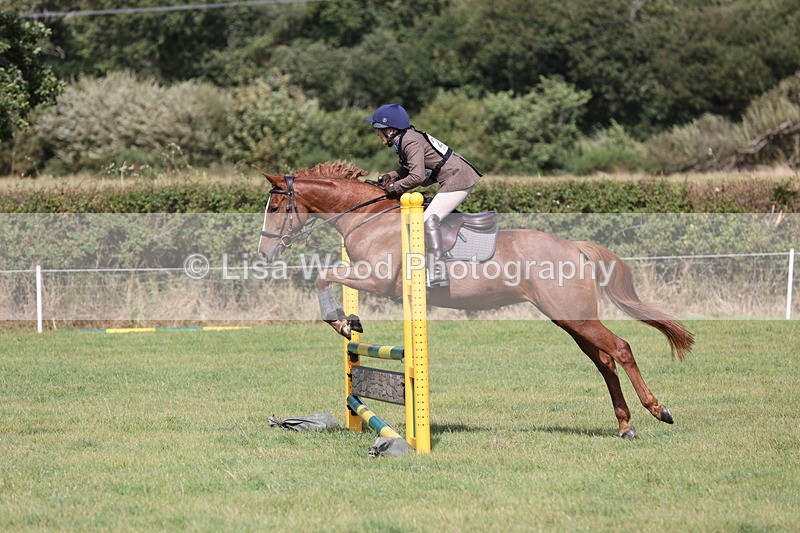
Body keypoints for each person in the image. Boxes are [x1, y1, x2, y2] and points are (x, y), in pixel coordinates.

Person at [364, 103, 482, 288]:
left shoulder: (409, 141)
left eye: (379, 129)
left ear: (391, 130)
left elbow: (417, 176)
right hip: (452, 177)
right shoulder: (405, 139)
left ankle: (437, 273)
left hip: (458, 178)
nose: (377, 134)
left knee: (428, 218)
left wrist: (393, 187)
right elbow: (408, 167)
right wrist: (390, 176)